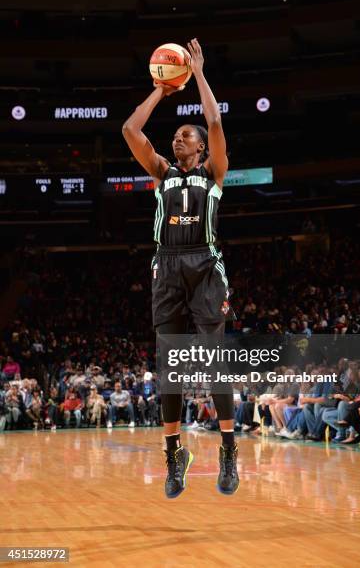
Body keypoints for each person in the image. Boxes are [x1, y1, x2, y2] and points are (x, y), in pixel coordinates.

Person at [122, 38, 238, 498]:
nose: (178, 138)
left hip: (205, 267)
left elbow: (213, 119)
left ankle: (229, 450)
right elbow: (131, 130)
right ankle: (175, 455)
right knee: (168, 366)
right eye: (176, 136)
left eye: (185, 136)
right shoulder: (162, 174)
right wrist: (160, 90)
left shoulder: (214, 172)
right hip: (167, 268)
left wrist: (200, 73)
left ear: (201, 147)